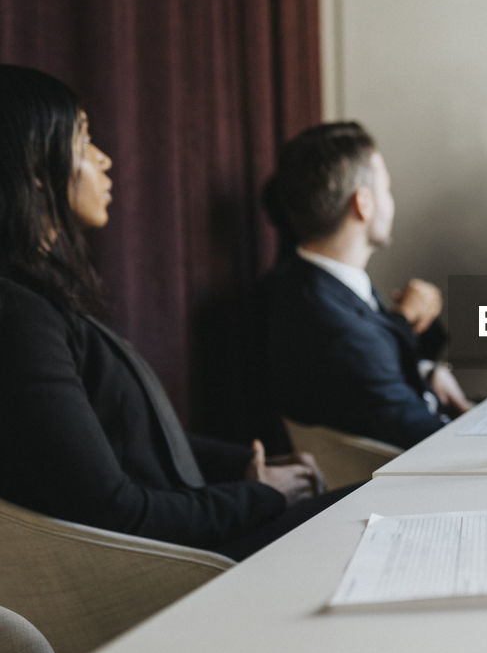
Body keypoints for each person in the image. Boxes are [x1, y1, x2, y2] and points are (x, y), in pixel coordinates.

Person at [0, 64, 344, 560]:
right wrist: (264, 496)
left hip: (191, 539)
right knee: (374, 502)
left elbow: (133, 437)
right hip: (177, 571)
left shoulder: (37, 302)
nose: (104, 160)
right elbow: (116, 514)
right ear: (34, 168)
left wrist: (246, 463)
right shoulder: (19, 319)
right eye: (83, 140)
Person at [264, 121, 472, 450]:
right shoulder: (335, 324)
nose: (391, 201)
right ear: (363, 203)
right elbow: (430, 442)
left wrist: (427, 371)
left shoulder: (312, 282)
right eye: (385, 189)